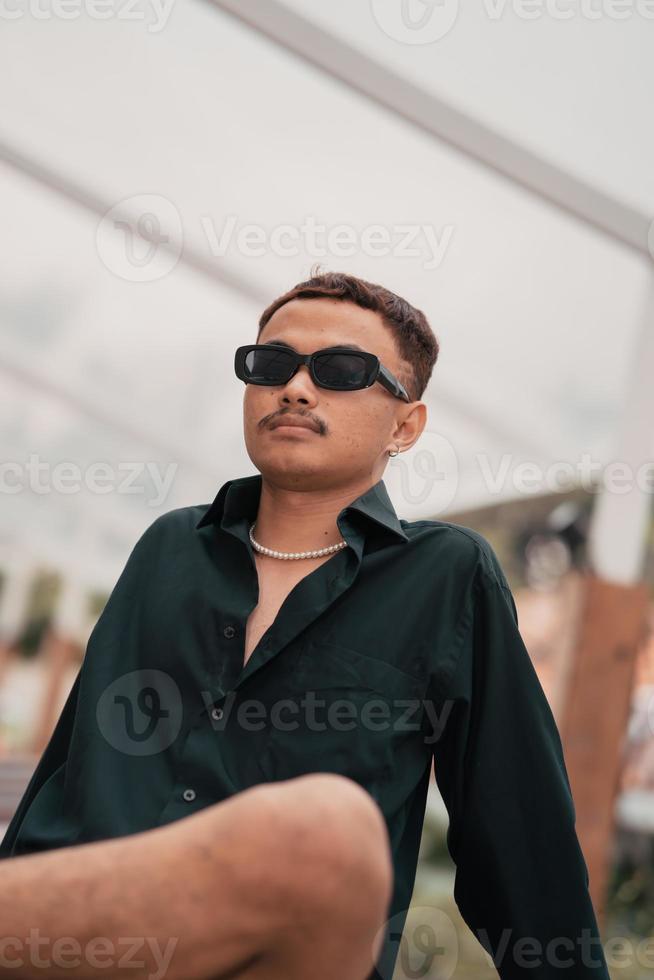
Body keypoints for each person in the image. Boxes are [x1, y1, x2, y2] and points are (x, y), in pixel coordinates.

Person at [0, 270, 610, 979]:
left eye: (342, 371)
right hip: (68, 944)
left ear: (406, 425)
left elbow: (521, 840)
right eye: (271, 364)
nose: (295, 387)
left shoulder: (446, 575)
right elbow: (66, 771)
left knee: (324, 832)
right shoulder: (169, 547)